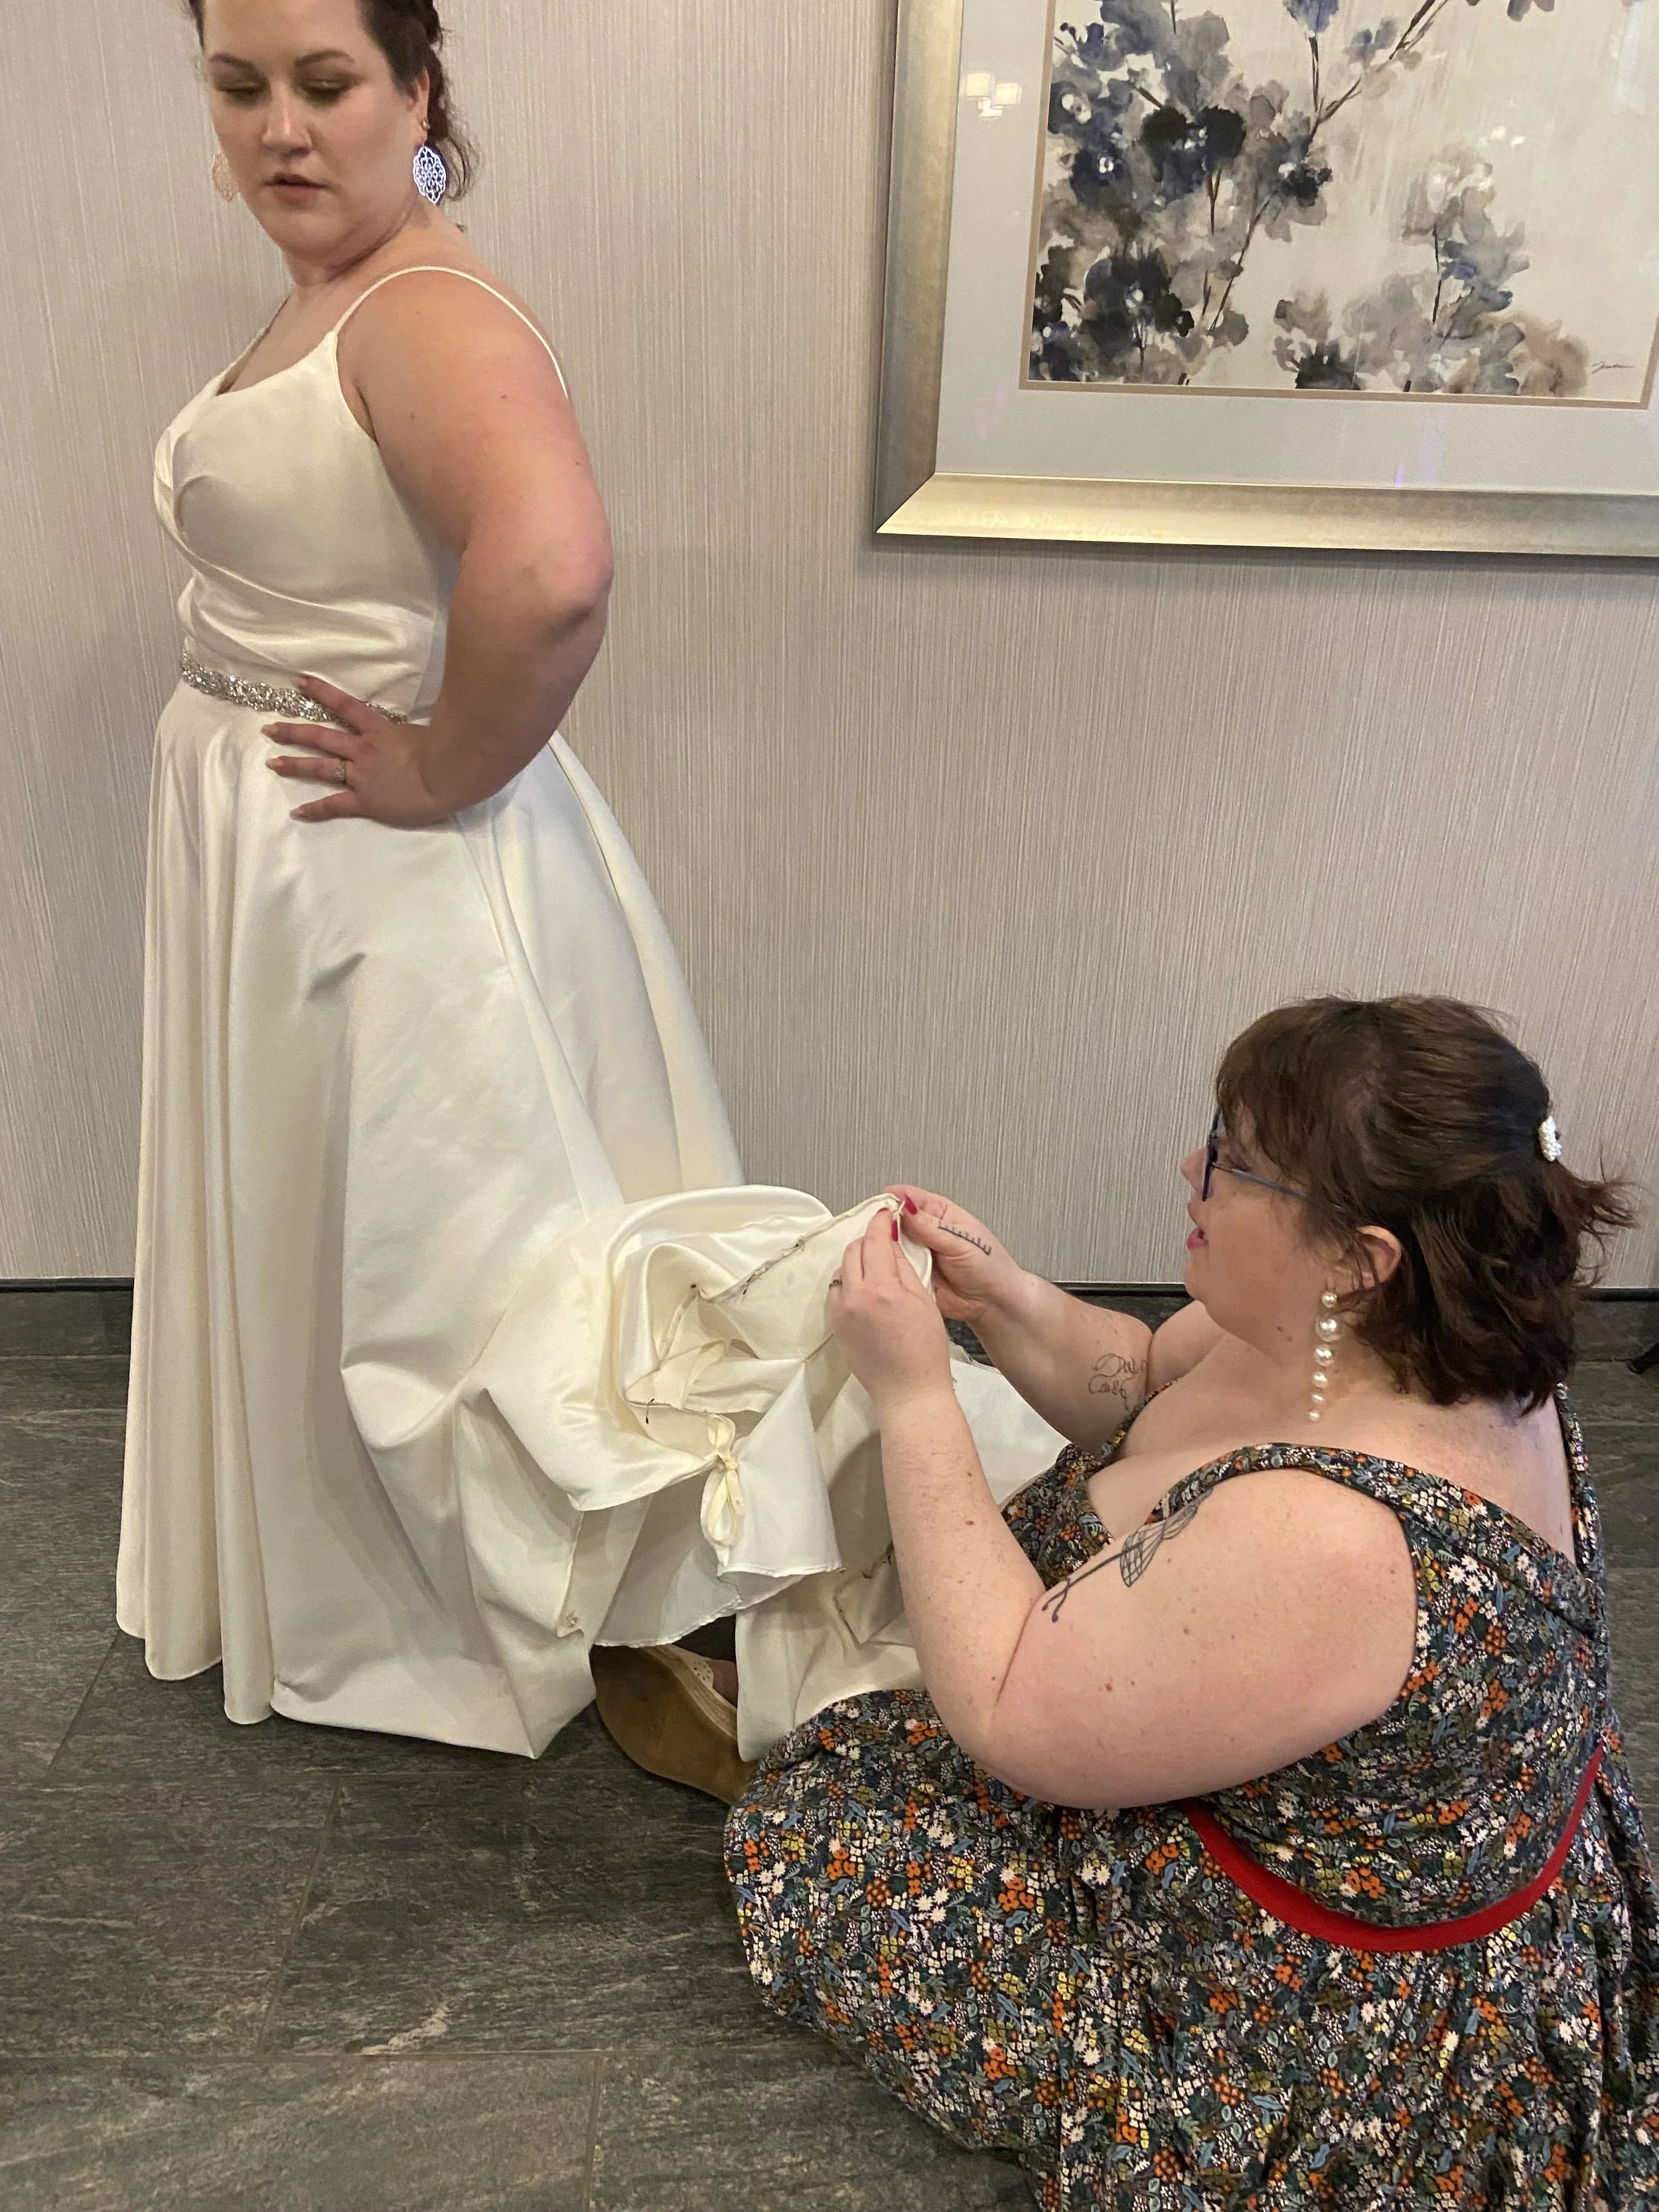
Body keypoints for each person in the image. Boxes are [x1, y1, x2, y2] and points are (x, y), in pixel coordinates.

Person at [727, 995, 1659, 2205]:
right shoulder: (1374, 1335)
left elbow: (1010, 1713)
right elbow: (1138, 1380)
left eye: (1234, 1161)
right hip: (1309, 1759)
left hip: (1328, 1978)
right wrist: (1003, 1296)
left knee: (819, 1833)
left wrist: (914, 1399)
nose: (1192, 1171)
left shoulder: (1341, 1539)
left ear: (1359, 1257)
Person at [117, 0, 744, 1751]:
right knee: (372, 1236)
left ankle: (537, 1603)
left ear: (419, 93)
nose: (279, 129)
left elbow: (548, 574)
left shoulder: (421, 309)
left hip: (374, 875)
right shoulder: (340, 292)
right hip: (306, 862)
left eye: (326, 85)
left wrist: (441, 760)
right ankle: (360, 1562)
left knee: (438, 1254)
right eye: (239, 88)